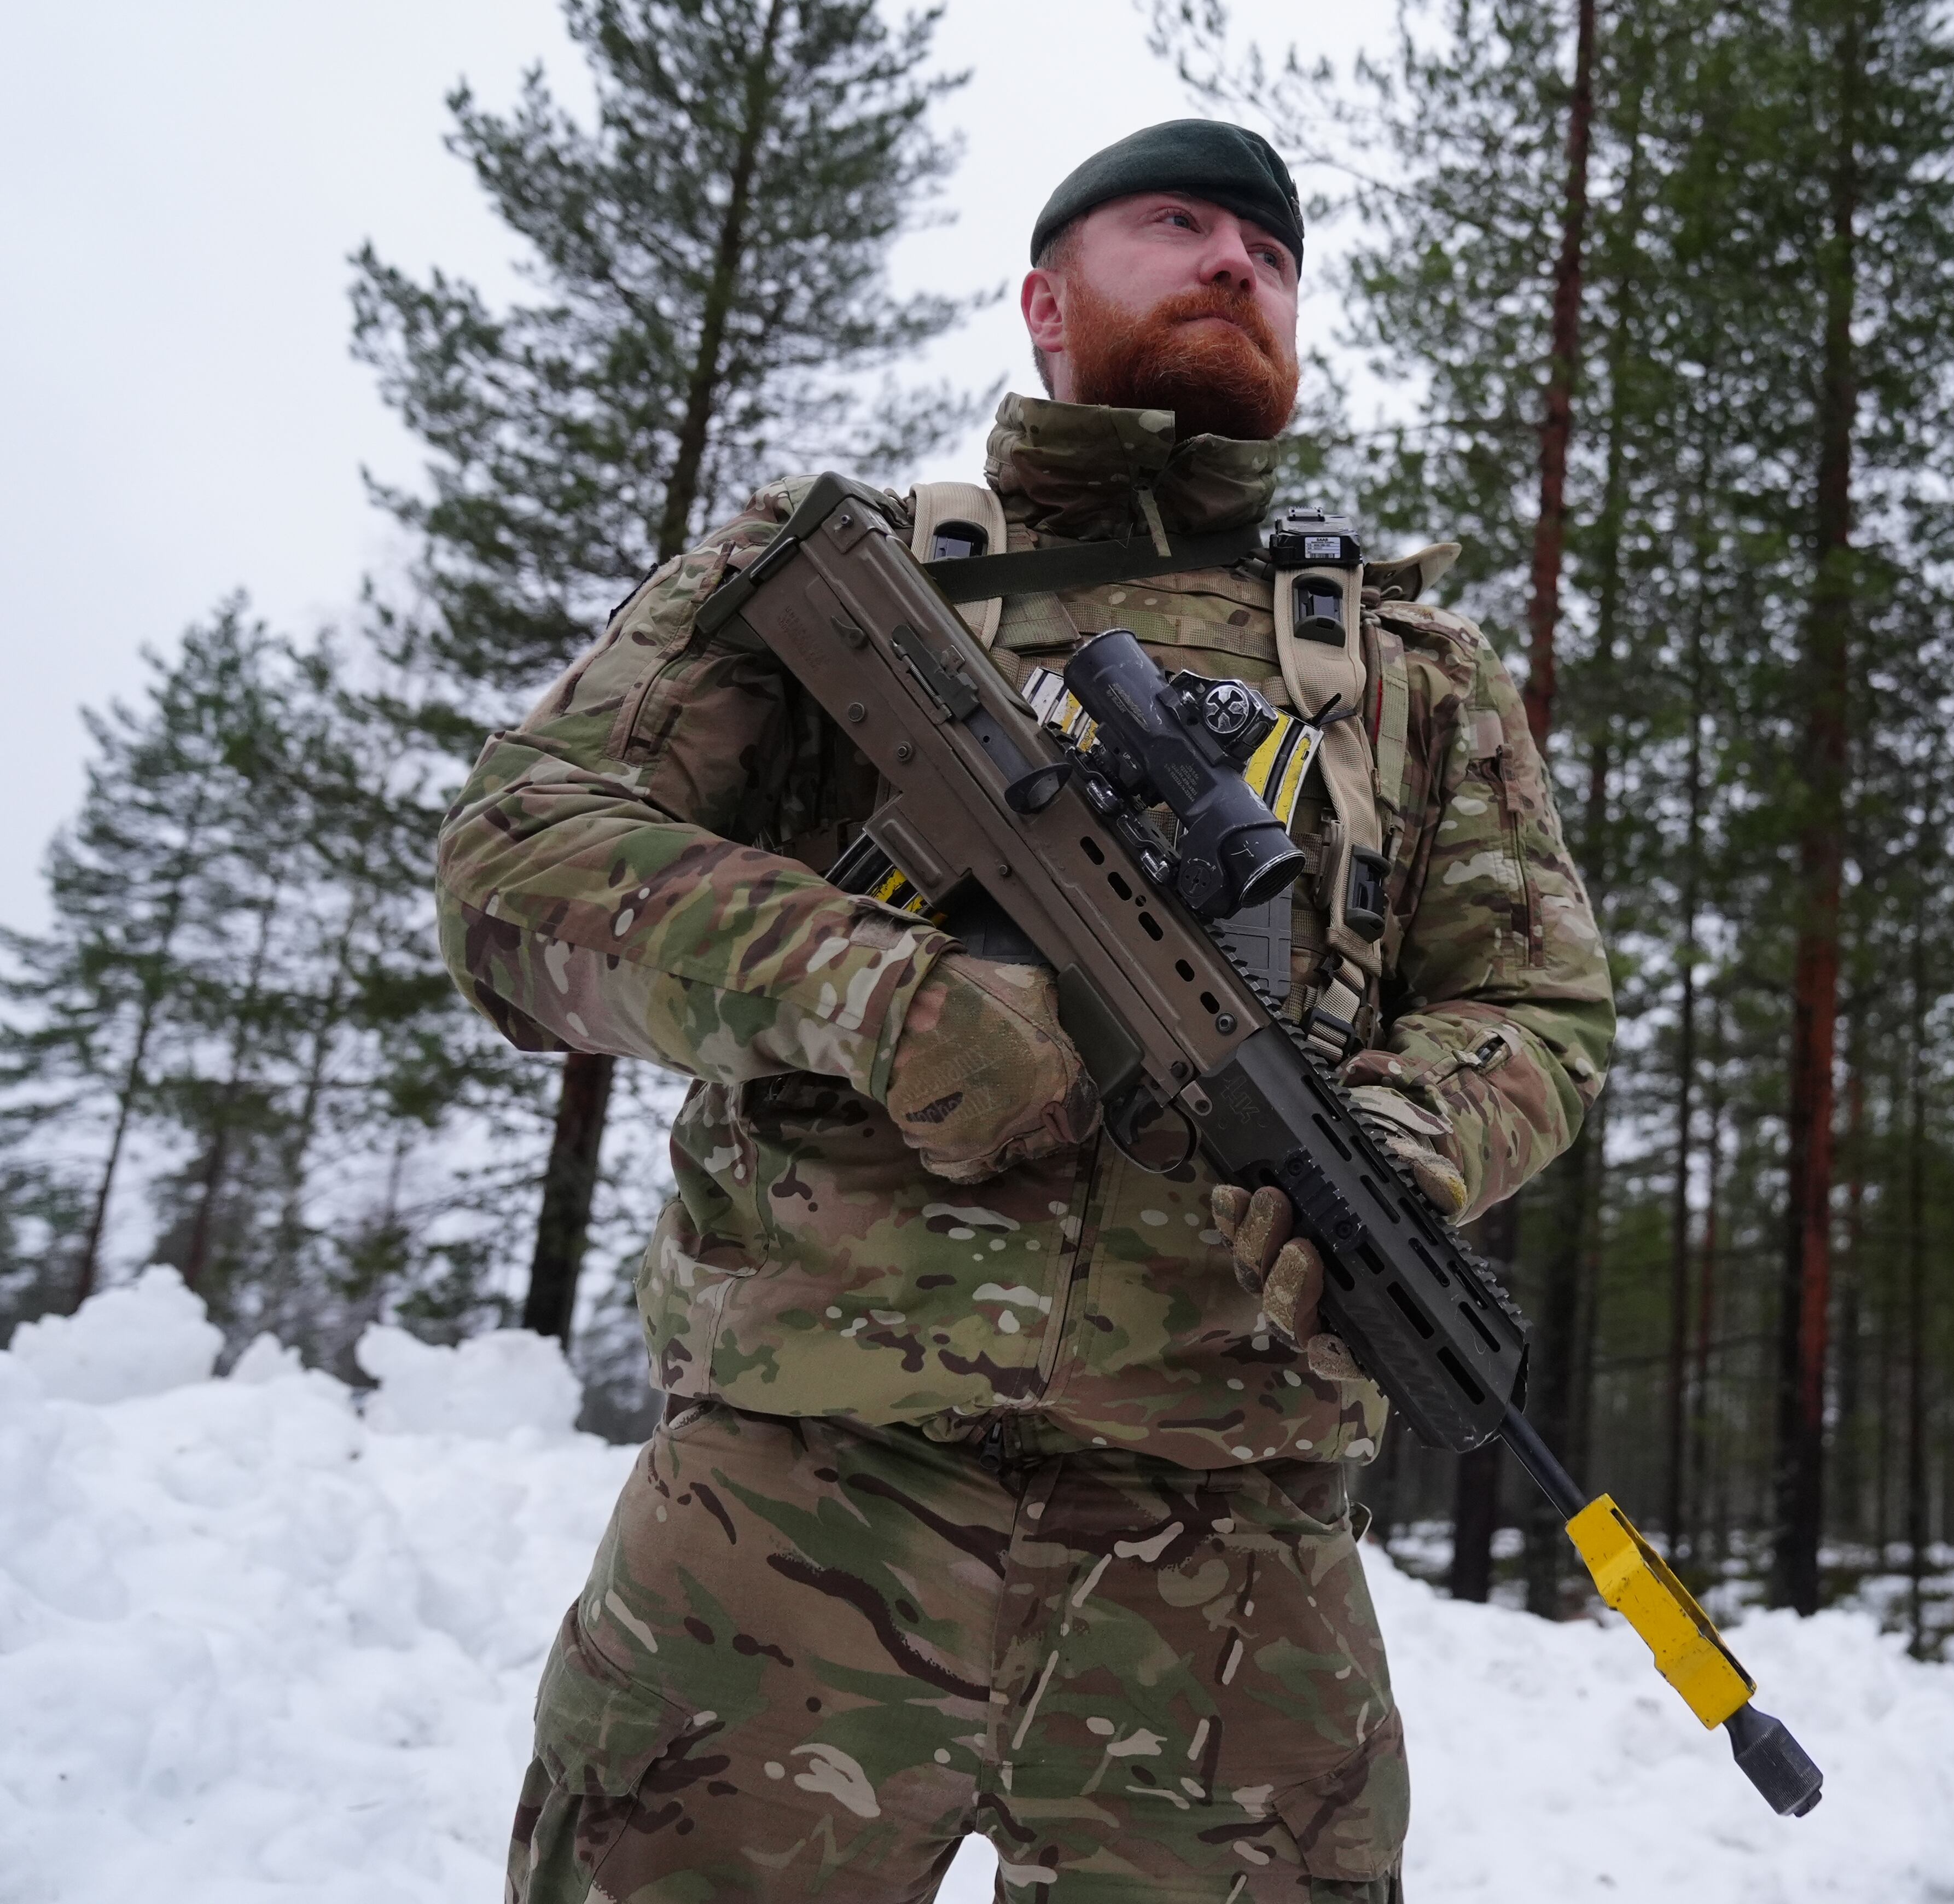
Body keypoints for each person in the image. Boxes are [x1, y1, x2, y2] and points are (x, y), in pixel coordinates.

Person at [438, 118, 1612, 1904]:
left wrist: (1404, 1140)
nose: (1237, 263)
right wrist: (868, 988)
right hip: (795, 1506)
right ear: (1044, 301)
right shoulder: (842, 573)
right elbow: (518, 863)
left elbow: (1537, 1005)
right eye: (1180, 226)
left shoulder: (1402, 668)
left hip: (1234, 1567)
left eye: (1273, 257)